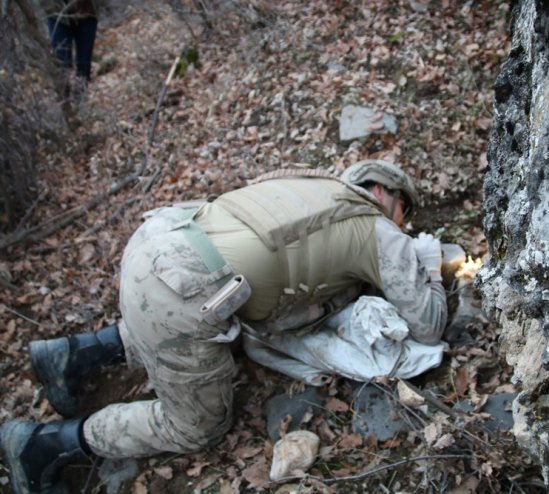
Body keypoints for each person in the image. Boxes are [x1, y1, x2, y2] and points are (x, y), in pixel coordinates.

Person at [0, 160, 447, 493]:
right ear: (389, 195)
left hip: (157, 241)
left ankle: (71, 354)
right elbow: (427, 326)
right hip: (183, 291)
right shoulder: (376, 227)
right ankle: (44, 445)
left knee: (179, 314)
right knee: (196, 427)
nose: (405, 225)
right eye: (405, 213)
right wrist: (425, 262)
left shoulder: (311, 184)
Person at [37, 0, 104, 98]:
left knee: (84, 65)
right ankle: (64, 104)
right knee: (61, 63)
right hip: (58, 15)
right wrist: (49, 7)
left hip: (88, 13)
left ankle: (81, 102)